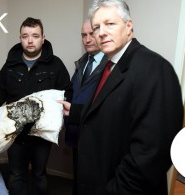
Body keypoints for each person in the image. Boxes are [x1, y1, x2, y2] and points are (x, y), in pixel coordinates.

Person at [59, 0, 184, 194]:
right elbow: (111, 112)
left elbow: (151, 154)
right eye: (96, 27)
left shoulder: (155, 69)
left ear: (128, 26)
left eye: (110, 24)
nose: (101, 33)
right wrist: (75, 112)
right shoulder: (109, 66)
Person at [0, 17, 72, 195]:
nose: (30, 40)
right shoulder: (10, 66)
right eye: (25, 36)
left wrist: (59, 111)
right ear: (20, 38)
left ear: (43, 38)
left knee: (39, 175)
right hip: (15, 132)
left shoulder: (56, 65)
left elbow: (67, 92)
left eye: (35, 36)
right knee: (16, 175)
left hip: (42, 134)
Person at [64, 19, 107, 195]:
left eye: (92, 34)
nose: (87, 39)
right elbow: (73, 92)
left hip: (96, 137)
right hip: (77, 133)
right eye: (84, 35)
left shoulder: (110, 65)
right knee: (79, 180)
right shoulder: (82, 63)